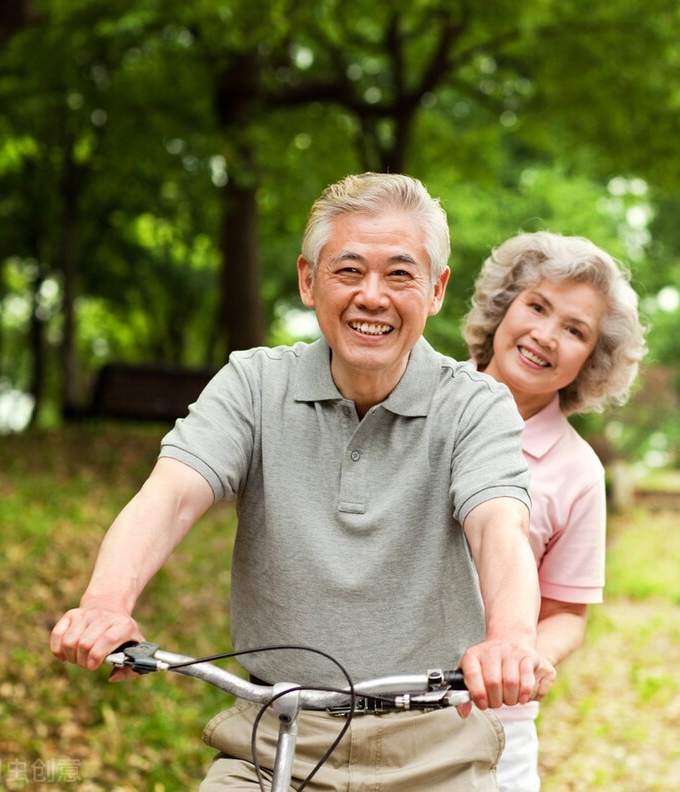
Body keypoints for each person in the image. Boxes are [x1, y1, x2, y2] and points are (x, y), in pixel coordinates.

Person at [49, 172, 543, 790]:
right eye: (348, 270)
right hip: (272, 732)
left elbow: (499, 526)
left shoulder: (476, 405)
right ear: (308, 280)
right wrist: (105, 605)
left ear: (436, 289)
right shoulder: (254, 384)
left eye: (399, 274)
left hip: (435, 743)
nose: (372, 296)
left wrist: (511, 639)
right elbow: (170, 496)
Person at [462, 231, 647, 791]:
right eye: (537, 307)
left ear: (592, 360)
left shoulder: (578, 471)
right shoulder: (413, 400)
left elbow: (567, 611)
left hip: (493, 729)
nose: (545, 335)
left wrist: (520, 661)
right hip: (371, 706)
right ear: (503, 308)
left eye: (574, 330)